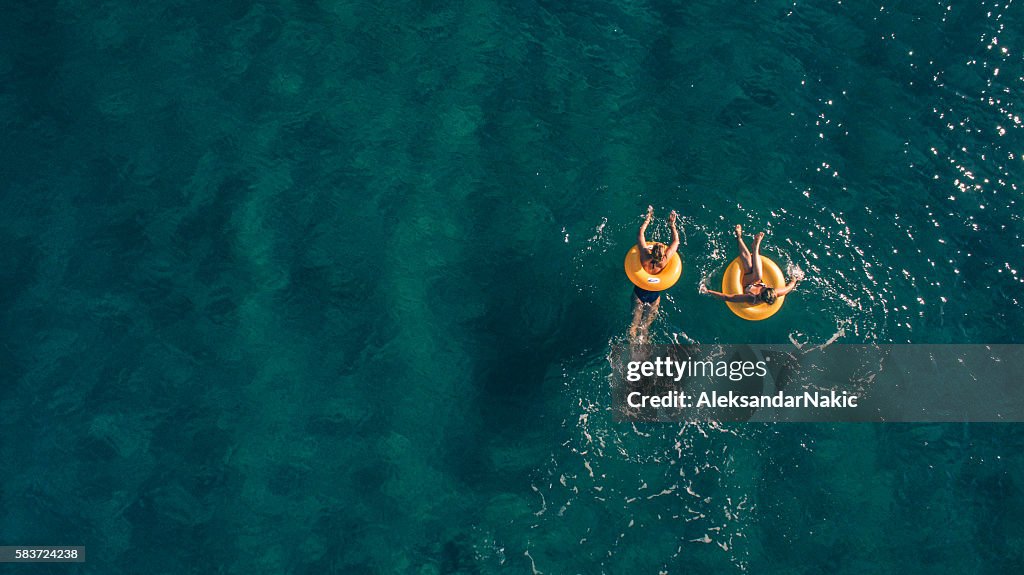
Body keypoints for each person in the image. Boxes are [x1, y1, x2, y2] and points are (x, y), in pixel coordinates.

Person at [700, 225, 803, 303]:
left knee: (753, 270)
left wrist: (708, 291)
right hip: (755, 278)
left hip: (745, 283)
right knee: (755, 272)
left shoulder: (751, 298)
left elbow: (728, 297)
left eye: (763, 289)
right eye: (766, 287)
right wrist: (795, 278)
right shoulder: (774, 293)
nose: (765, 286)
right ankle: (753, 246)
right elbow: (789, 287)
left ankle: (742, 239)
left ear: (760, 295)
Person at [629, 206, 680, 341]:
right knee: (645, 328)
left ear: (651, 250)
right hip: (654, 297)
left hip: (639, 294)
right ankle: (644, 347)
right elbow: (676, 241)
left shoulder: (644, 256)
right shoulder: (664, 261)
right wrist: (672, 225)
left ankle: (631, 345)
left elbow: (640, 234)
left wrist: (648, 218)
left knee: (633, 325)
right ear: (663, 254)